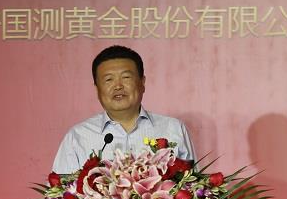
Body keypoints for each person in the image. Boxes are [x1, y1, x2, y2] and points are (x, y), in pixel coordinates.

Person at [52, 45, 196, 174]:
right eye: (109, 79)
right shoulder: (77, 137)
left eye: (126, 77)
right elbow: (61, 192)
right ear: (97, 89)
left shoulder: (173, 129)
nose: (118, 86)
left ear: (142, 83)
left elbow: (195, 187)